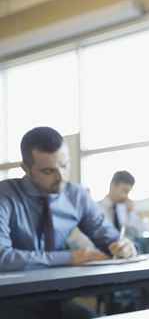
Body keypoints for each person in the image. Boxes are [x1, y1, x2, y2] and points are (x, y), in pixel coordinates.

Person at [0, 127, 137, 319]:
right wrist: (69, 257)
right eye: (48, 171)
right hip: (9, 301)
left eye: (64, 166)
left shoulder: (76, 195)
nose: (61, 177)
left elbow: (108, 237)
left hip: (56, 298)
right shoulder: (5, 196)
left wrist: (123, 246)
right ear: (26, 169)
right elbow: (2, 258)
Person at [99, 170, 145, 239]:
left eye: (128, 192)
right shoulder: (97, 209)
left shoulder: (126, 209)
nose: (126, 196)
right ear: (113, 185)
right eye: (124, 191)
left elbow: (139, 233)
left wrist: (131, 213)